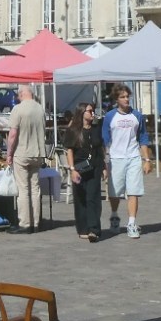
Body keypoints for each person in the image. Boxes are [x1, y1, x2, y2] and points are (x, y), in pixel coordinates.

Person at [101, 83, 150, 239]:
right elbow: (105, 141)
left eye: (127, 96)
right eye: (122, 97)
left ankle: (132, 223)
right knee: (115, 193)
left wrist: (147, 159)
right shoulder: (110, 116)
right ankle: (115, 216)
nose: (126, 99)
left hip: (134, 157)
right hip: (116, 158)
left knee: (133, 191)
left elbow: (143, 138)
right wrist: (105, 162)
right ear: (116, 99)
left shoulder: (137, 116)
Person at [5, 84, 47, 233]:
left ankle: (25, 223)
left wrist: (9, 153)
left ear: (21, 94)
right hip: (37, 152)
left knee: (23, 190)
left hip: (22, 152)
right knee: (35, 188)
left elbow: (12, 135)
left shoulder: (18, 109)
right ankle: (36, 223)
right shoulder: (40, 109)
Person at [63, 101, 104, 242]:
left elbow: (100, 149)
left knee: (92, 198)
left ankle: (94, 229)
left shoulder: (96, 128)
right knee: (80, 198)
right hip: (79, 168)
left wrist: (104, 167)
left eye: (93, 111)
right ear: (82, 113)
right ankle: (83, 228)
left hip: (95, 167)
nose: (92, 113)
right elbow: (69, 151)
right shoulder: (73, 130)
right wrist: (72, 169)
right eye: (89, 111)